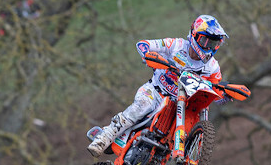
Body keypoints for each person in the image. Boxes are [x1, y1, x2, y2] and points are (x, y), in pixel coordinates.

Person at [87, 14, 227, 157]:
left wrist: (224, 95)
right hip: (155, 92)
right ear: (195, 35)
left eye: (213, 44)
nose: (209, 47)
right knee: (141, 106)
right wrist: (148, 55)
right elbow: (143, 44)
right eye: (206, 41)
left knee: (187, 127)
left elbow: (215, 91)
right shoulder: (176, 45)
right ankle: (103, 138)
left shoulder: (212, 67)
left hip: (180, 105)